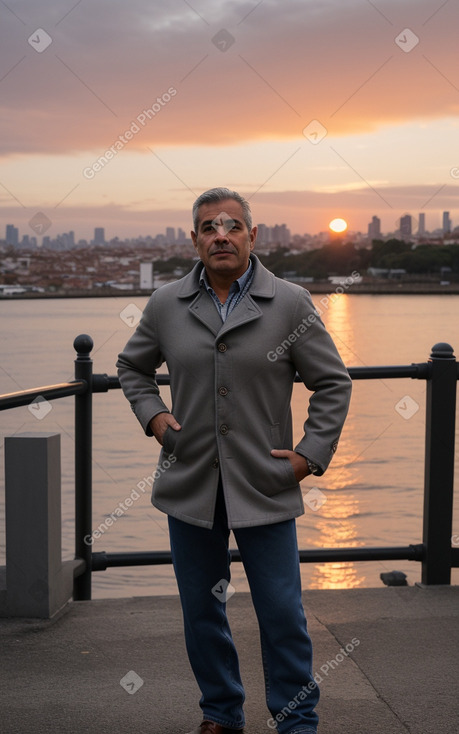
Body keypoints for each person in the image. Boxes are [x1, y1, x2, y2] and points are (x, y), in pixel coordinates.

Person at [116, 187, 352, 734]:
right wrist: (154, 418)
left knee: (282, 613)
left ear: (252, 235)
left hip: (265, 481)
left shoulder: (289, 303)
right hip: (190, 481)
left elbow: (332, 384)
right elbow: (132, 368)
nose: (220, 235)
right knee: (202, 612)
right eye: (208, 227)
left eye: (232, 226)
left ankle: (297, 722)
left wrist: (307, 457)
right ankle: (221, 713)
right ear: (195, 240)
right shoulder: (166, 305)